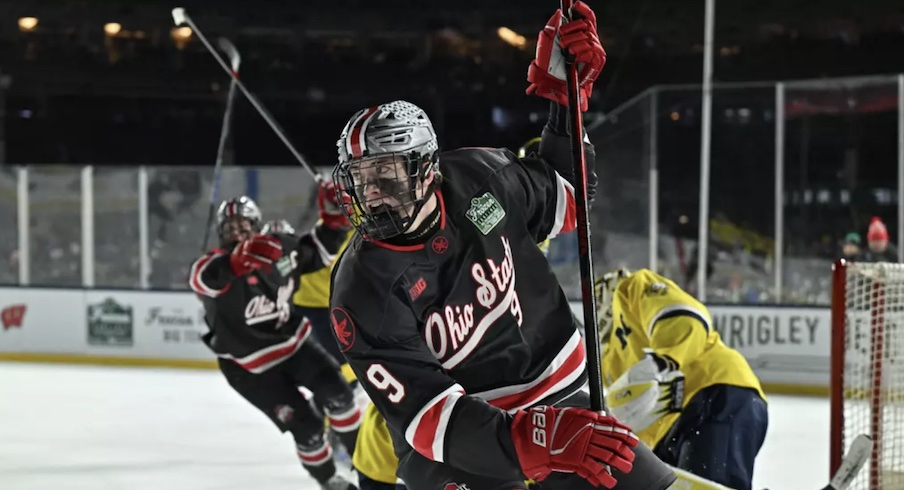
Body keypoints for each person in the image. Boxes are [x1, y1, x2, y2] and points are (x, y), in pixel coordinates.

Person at [328, 3, 676, 489]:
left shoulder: (481, 178)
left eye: (385, 175)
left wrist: (565, 101)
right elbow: (431, 420)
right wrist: (537, 440)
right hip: (457, 441)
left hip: (560, 394)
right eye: (361, 181)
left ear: (427, 170)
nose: (372, 194)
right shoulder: (361, 289)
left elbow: (567, 196)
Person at [189, 189, 361, 490]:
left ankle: (365, 464)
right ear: (220, 234)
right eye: (229, 228)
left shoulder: (278, 248)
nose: (237, 231)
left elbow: (319, 249)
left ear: (257, 225)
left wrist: (335, 218)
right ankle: (329, 480)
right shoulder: (215, 264)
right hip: (249, 369)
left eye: (244, 225)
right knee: (306, 427)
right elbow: (202, 278)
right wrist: (236, 263)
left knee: (341, 396)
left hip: (294, 346)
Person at [595, 268, 767, 490]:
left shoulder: (631, 288)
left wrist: (662, 361)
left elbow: (686, 317)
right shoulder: (609, 362)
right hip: (669, 431)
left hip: (714, 392)